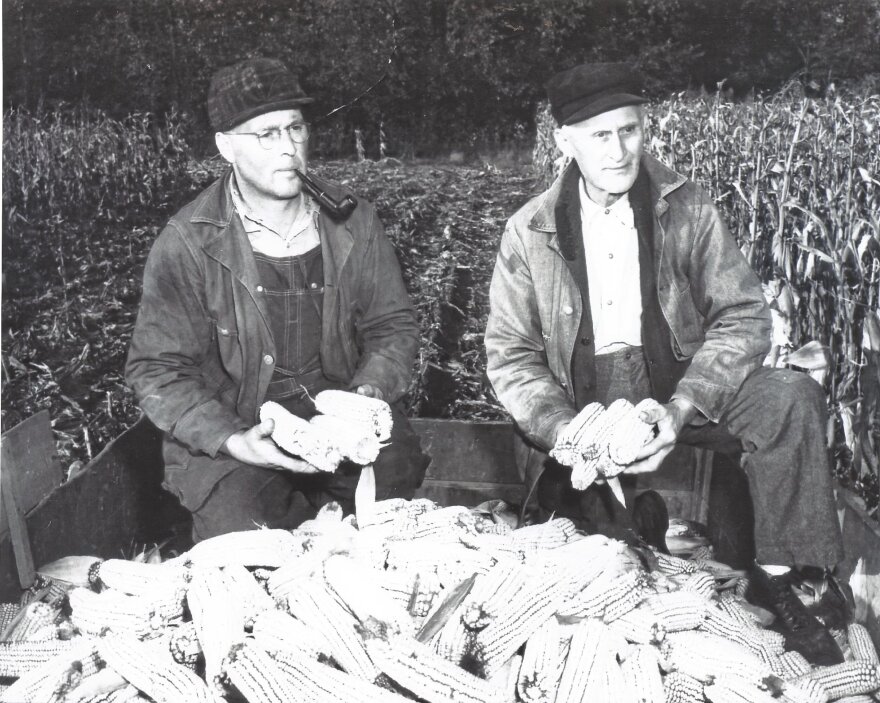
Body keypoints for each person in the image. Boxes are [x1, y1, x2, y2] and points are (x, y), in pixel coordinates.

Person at [485, 62, 846, 664]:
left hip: (681, 380)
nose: (620, 150)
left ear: (644, 126)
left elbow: (744, 313)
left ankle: (786, 577)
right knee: (604, 563)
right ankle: (629, 522)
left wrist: (683, 407)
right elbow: (512, 356)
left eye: (629, 130)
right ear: (564, 141)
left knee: (788, 398)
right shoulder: (529, 230)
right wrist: (564, 430)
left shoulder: (688, 207)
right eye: (600, 135)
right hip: (582, 398)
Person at [126, 57, 429, 543]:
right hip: (239, 429)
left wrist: (365, 395)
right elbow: (157, 369)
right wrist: (233, 440)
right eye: (266, 134)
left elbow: (392, 325)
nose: (289, 148)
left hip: (335, 418)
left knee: (391, 500)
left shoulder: (353, 221)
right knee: (244, 536)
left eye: (295, 128)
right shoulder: (187, 241)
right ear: (226, 146)